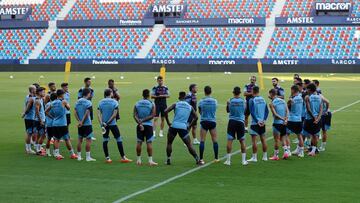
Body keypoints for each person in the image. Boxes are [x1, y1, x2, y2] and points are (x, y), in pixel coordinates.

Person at [164, 91, 200, 165]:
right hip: (183, 127)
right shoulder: (189, 106)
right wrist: (189, 126)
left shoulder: (176, 104)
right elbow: (196, 117)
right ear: (185, 98)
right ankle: (197, 159)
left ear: (179, 97)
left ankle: (168, 160)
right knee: (189, 144)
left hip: (174, 126)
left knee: (169, 143)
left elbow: (165, 111)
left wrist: (168, 122)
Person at [97, 88, 132, 164]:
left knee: (105, 140)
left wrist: (102, 123)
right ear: (110, 93)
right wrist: (108, 122)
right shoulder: (114, 102)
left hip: (104, 125)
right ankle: (123, 157)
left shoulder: (100, 102)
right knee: (119, 139)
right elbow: (114, 115)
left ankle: (107, 158)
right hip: (112, 124)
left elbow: (98, 114)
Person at [45, 89, 77, 160]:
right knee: (67, 139)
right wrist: (65, 103)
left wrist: (52, 117)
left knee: (57, 139)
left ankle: (57, 154)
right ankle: (72, 154)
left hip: (55, 123)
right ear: (62, 94)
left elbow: (46, 111)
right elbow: (68, 108)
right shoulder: (63, 101)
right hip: (62, 123)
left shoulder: (52, 103)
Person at [224, 87, 248, 166]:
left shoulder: (230, 100)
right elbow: (244, 111)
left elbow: (228, 110)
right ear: (240, 92)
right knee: (242, 140)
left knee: (230, 140)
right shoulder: (243, 101)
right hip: (240, 122)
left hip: (232, 121)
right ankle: (243, 161)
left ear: (233, 92)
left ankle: (228, 161)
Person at [133, 89, 157, 166]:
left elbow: (134, 115)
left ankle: (138, 160)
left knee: (139, 142)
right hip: (149, 126)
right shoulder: (151, 103)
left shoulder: (137, 103)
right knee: (149, 142)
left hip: (139, 125)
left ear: (142, 95)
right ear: (149, 95)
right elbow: (153, 115)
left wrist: (140, 122)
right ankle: (150, 161)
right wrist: (143, 120)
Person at [74, 88, 96, 162]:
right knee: (88, 140)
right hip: (87, 124)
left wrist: (79, 121)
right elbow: (87, 113)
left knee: (80, 140)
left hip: (80, 124)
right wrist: (82, 122)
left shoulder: (77, 102)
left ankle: (79, 156)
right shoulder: (88, 102)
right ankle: (88, 157)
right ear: (88, 94)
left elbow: (75, 112)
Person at [198, 86, 218, 165]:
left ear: (204, 91)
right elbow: (215, 109)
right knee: (215, 140)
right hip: (212, 121)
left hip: (204, 121)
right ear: (211, 91)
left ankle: (201, 159)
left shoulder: (201, 101)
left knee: (202, 140)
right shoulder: (215, 101)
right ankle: (216, 158)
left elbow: (199, 110)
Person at [248, 86, 269, 162]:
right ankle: (265, 156)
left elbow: (252, 112)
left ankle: (254, 157)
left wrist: (257, 121)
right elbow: (267, 111)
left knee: (254, 141)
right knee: (263, 140)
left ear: (253, 91)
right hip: (262, 123)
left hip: (255, 123)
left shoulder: (252, 100)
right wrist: (264, 120)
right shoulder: (263, 99)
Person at [268, 89, 290, 160]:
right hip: (284, 124)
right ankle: (286, 152)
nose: (268, 96)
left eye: (269, 94)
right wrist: (286, 119)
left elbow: (275, 114)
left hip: (277, 123)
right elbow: (287, 111)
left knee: (276, 140)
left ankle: (276, 156)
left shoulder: (271, 103)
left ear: (271, 94)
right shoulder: (283, 101)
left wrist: (283, 119)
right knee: (283, 138)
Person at [303, 83, 323, 156]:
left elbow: (308, 109)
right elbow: (321, 108)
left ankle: (300, 149)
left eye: (307, 89)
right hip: (317, 119)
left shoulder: (307, 97)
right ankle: (313, 150)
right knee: (315, 135)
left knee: (303, 133)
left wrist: (314, 118)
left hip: (309, 119)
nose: (306, 90)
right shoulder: (319, 97)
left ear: (309, 89)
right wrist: (318, 118)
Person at [287, 85, 305, 157]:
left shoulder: (292, 99)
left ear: (293, 90)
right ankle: (301, 152)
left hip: (291, 119)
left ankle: (288, 151)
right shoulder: (300, 98)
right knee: (299, 135)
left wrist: (288, 103)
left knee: (286, 134)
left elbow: (288, 109)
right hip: (299, 119)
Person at [22, 85, 37, 154]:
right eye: (35, 89)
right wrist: (25, 113)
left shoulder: (28, 96)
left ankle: (29, 147)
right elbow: (28, 108)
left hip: (30, 117)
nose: (36, 90)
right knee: (29, 133)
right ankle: (28, 149)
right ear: (32, 90)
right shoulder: (31, 98)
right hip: (30, 118)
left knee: (30, 133)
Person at [34, 87, 46, 155]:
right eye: (43, 92)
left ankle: (37, 149)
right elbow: (37, 111)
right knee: (43, 135)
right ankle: (38, 149)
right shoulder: (37, 101)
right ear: (39, 92)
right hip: (39, 120)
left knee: (39, 135)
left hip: (40, 119)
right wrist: (41, 121)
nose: (44, 93)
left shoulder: (41, 99)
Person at [45, 93, 57, 157]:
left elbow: (45, 112)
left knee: (49, 139)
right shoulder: (54, 104)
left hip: (48, 124)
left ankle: (47, 152)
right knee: (55, 139)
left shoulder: (47, 104)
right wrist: (53, 117)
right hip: (54, 124)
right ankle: (55, 153)